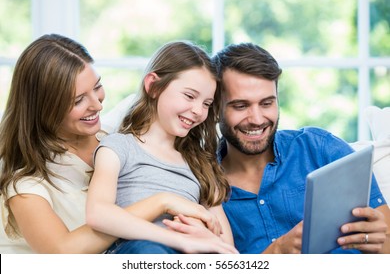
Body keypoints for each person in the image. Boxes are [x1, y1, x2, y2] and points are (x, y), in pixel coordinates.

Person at [0, 34, 236, 254]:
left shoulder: (116, 130)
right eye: (79, 100)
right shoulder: (26, 184)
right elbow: (63, 251)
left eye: (97, 87)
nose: (97, 105)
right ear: (44, 108)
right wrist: (164, 203)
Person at [211, 42, 390, 254]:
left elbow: (385, 241)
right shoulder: (203, 185)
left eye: (267, 103)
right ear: (215, 108)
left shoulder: (320, 148)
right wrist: (277, 252)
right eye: (241, 106)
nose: (257, 119)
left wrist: (378, 243)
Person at [86, 41, 237, 254]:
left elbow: (226, 247)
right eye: (190, 96)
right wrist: (178, 240)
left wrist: (205, 237)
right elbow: (97, 213)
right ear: (154, 86)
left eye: (206, 103)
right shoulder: (118, 147)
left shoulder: (198, 162)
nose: (197, 110)